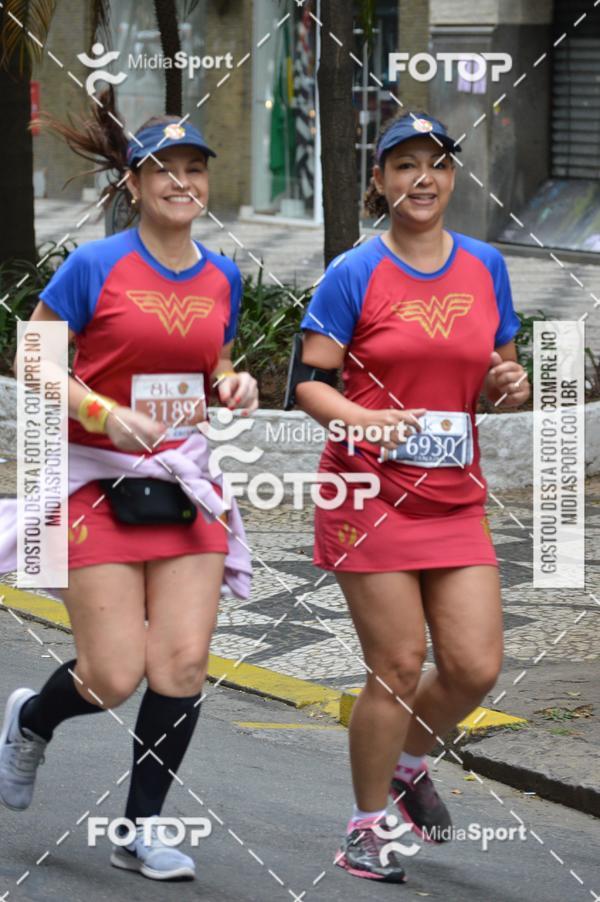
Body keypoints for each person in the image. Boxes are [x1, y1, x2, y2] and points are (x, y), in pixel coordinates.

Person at [0, 90, 258, 881]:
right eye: (164, 170)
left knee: (179, 664)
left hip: (183, 481)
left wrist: (231, 384)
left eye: (194, 169)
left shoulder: (222, 277)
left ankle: (141, 828)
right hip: (96, 479)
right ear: (135, 185)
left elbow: (207, 365)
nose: (182, 181)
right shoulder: (94, 265)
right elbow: (32, 359)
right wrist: (101, 411)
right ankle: (31, 720)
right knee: (112, 674)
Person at [294, 111, 530, 882]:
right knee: (397, 663)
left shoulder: (486, 265)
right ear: (380, 181)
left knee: (473, 666)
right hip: (369, 493)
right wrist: (366, 420)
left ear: (453, 179)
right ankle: (365, 828)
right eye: (403, 166)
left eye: (435, 165)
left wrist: (508, 383)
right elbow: (308, 382)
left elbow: (500, 373)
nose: (421, 179)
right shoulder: (353, 271)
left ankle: (408, 763)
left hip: (454, 495)